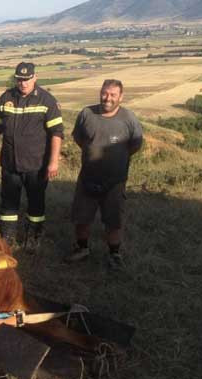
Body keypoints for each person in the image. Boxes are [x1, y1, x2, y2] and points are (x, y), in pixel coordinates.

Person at [0, 62, 64, 249]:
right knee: (8, 202)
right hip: (10, 163)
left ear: (35, 77)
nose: (23, 83)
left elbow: (57, 133)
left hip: (36, 164)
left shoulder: (46, 100)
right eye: (19, 79)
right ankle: (7, 238)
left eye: (26, 79)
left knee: (36, 203)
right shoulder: (6, 98)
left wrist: (53, 162)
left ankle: (33, 237)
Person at [66, 79, 143, 269]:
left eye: (113, 95)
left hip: (115, 182)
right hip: (87, 178)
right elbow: (79, 139)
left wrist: (116, 159)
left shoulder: (128, 118)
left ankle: (114, 254)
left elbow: (135, 145)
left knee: (113, 220)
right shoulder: (86, 113)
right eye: (104, 93)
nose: (107, 98)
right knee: (82, 218)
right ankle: (82, 248)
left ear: (121, 97)